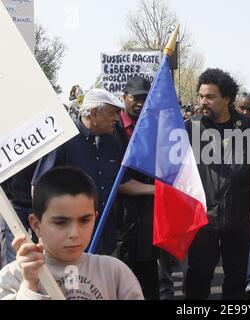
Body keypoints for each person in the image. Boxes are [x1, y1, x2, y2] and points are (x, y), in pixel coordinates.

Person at [0, 166, 144, 300]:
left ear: (95, 217)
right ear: (36, 225)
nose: (74, 233)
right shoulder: (12, 278)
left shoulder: (115, 273)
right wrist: (29, 284)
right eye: (61, 222)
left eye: (84, 220)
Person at [184, 68, 250, 300]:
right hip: (202, 221)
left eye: (210, 97)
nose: (203, 101)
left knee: (236, 279)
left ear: (227, 98)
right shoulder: (190, 128)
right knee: (198, 277)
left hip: (239, 219)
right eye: (201, 96)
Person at [32, 88, 128, 255]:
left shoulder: (112, 142)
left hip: (106, 237)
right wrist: (45, 230)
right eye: (112, 113)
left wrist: (159, 190)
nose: (116, 119)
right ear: (93, 113)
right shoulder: (64, 140)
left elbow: (121, 183)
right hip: (69, 241)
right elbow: (38, 186)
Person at [115, 76, 159, 300]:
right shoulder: (110, 129)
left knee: (148, 282)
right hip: (118, 221)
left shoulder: (155, 128)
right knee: (119, 281)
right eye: (135, 97)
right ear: (124, 97)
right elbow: (118, 183)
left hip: (147, 219)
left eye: (145, 97)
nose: (140, 103)